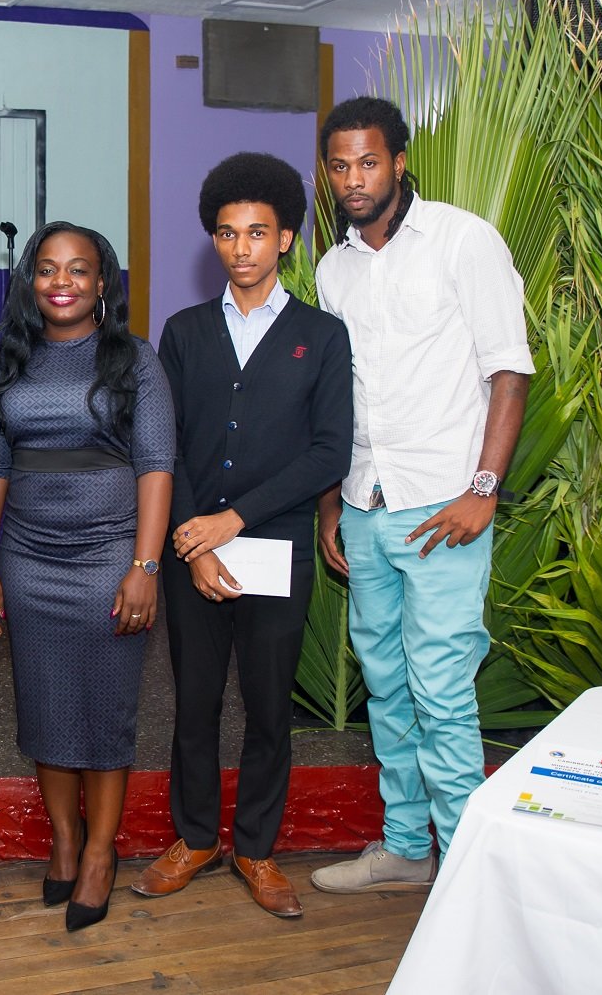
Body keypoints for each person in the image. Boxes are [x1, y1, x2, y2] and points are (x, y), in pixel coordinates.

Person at [309, 96, 534, 894]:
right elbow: (341, 392)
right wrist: (333, 497)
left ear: (399, 161)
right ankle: (407, 848)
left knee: (440, 686)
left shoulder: (462, 239)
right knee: (388, 685)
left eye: (369, 161)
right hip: (366, 501)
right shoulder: (332, 267)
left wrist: (484, 489)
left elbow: (508, 367)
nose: (354, 178)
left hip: (444, 503)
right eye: (340, 165)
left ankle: (470, 870)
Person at [131, 153, 353, 918]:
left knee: (267, 710)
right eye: (227, 234)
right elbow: (166, 439)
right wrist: (196, 541)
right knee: (193, 706)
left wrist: (235, 520)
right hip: (196, 550)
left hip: (274, 550)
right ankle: (195, 838)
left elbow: (329, 451)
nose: (242, 248)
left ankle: (256, 849)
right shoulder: (184, 330)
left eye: (258, 232)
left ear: (286, 237)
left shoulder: (321, 336)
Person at [0, 222, 174, 933]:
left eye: (79, 269)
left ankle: (100, 851)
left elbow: (156, 463)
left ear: (102, 282)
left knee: (104, 708)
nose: (62, 281)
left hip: (109, 557)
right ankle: (64, 840)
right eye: (47, 269)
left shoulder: (135, 360)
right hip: (29, 558)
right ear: (31, 281)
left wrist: (144, 566)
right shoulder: (9, 357)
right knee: (46, 705)